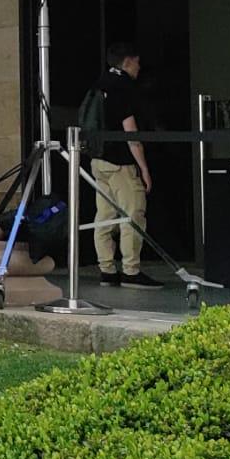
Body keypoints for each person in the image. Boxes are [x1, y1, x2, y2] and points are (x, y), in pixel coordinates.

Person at [89, 43, 163, 289]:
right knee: (133, 214)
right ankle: (131, 270)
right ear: (128, 61)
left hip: (98, 159)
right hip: (120, 161)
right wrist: (144, 168)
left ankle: (107, 269)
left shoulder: (100, 83)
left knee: (104, 216)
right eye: (137, 62)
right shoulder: (123, 86)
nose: (139, 67)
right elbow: (130, 131)